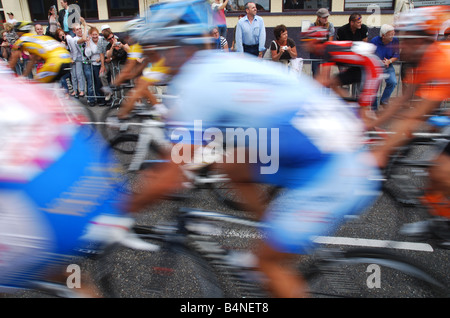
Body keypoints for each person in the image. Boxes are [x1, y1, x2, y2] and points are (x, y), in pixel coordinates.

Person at [128, 0, 381, 298]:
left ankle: (268, 260)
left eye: (157, 49)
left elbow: (171, 173)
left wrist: (117, 211)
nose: (154, 57)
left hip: (335, 168)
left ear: (178, 46)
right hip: (318, 145)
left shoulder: (198, 83)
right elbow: (184, 148)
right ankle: (271, 231)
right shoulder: (217, 65)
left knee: (267, 265)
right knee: (232, 165)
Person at [0, 59, 133, 297]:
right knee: (56, 270)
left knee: (36, 262)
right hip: (85, 160)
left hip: (36, 200)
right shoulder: (7, 72)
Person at [368, 6, 450, 237]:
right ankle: (441, 219)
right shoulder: (425, 60)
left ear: (424, 40)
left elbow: (415, 116)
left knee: (441, 172)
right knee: (434, 171)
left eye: (408, 40)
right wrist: (365, 126)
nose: (401, 46)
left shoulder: (442, 59)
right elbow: (402, 101)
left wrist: (380, 150)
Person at [301, 26, 383, 123]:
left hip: (372, 66)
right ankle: (352, 109)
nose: (304, 44)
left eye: (306, 41)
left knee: (364, 109)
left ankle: (376, 131)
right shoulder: (326, 49)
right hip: (361, 66)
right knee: (333, 82)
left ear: (314, 41)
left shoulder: (327, 49)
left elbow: (322, 80)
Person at [370, 24, 399, 110]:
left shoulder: (395, 41)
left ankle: (384, 100)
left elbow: (396, 55)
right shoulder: (374, 41)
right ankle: (374, 108)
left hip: (388, 65)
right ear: (383, 35)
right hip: (376, 66)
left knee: (393, 82)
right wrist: (378, 61)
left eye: (393, 34)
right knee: (375, 86)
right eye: (390, 34)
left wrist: (389, 61)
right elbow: (369, 55)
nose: (392, 36)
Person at [310, 8, 335, 76]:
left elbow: (330, 41)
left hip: (326, 50)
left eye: (327, 17)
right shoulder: (312, 26)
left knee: (326, 74)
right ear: (318, 18)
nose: (326, 19)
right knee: (316, 73)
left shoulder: (330, 26)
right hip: (315, 52)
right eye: (324, 17)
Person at [66, 21, 87, 98]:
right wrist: (85, 26)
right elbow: (83, 39)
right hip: (74, 58)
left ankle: (81, 90)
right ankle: (75, 90)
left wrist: (85, 23)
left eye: (80, 29)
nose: (80, 30)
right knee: (73, 75)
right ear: (74, 31)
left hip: (80, 58)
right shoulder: (74, 39)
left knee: (79, 74)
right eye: (77, 29)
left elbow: (93, 28)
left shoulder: (84, 34)